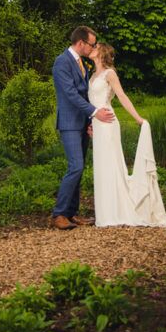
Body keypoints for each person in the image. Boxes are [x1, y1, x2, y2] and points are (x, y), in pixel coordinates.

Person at [88, 42, 166, 227]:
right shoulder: (92, 75)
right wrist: (90, 123)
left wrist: (138, 118)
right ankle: (105, 212)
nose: (92, 47)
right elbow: (91, 102)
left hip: (108, 124)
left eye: (96, 46)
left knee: (111, 164)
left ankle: (116, 211)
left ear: (102, 52)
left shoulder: (110, 74)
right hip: (97, 125)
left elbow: (122, 96)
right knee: (101, 167)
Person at [50, 25, 115, 230]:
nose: (93, 47)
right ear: (81, 43)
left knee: (79, 168)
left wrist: (90, 122)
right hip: (69, 123)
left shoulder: (82, 64)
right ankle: (59, 214)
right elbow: (70, 94)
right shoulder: (62, 62)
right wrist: (95, 113)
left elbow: (87, 94)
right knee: (75, 166)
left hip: (82, 122)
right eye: (92, 44)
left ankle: (72, 213)